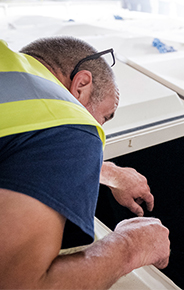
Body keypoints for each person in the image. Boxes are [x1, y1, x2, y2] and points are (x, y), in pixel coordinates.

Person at [0, 37, 170, 289]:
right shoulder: (72, 124)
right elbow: (18, 284)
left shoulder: (10, 69)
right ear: (80, 85)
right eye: (104, 117)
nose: (98, 130)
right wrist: (132, 245)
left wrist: (106, 171)